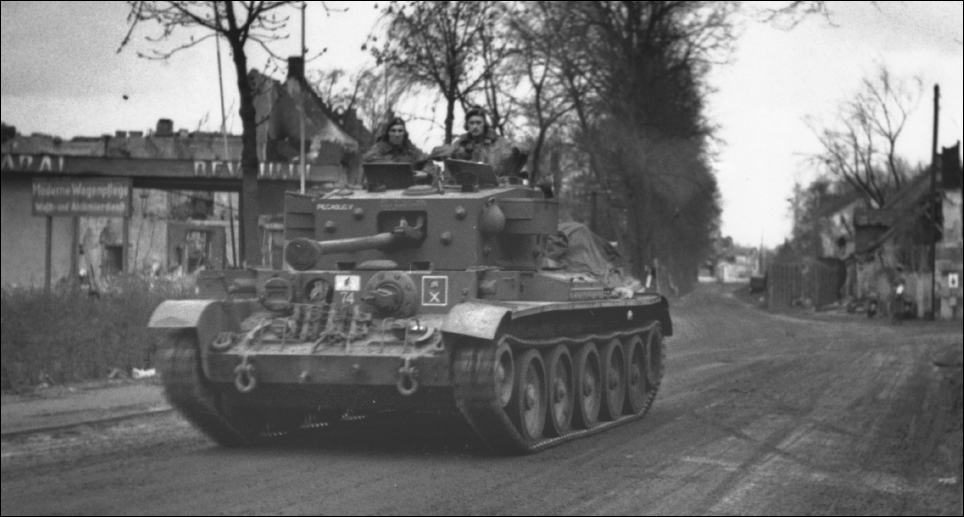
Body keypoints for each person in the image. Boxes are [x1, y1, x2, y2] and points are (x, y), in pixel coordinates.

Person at [431, 106, 529, 178]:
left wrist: (517, 149)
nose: (475, 126)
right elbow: (436, 152)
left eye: (478, 123)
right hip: (467, 188)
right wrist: (455, 152)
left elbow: (525, 148)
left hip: (495, 187)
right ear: (467, 126)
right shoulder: (461, 143)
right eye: (472, 123)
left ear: (484, 124)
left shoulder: (499, 142)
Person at [363, 117, 437, 181]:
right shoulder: (379, 148)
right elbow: (369, 158)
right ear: (387, 133)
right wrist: (401, 169)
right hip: (382, 189)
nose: (397, 135)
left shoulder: (411, 150)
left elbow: (427, 161)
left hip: (406, 190)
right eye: (393, 131)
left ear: (404, 134)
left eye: (400, 131)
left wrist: (425, 172)